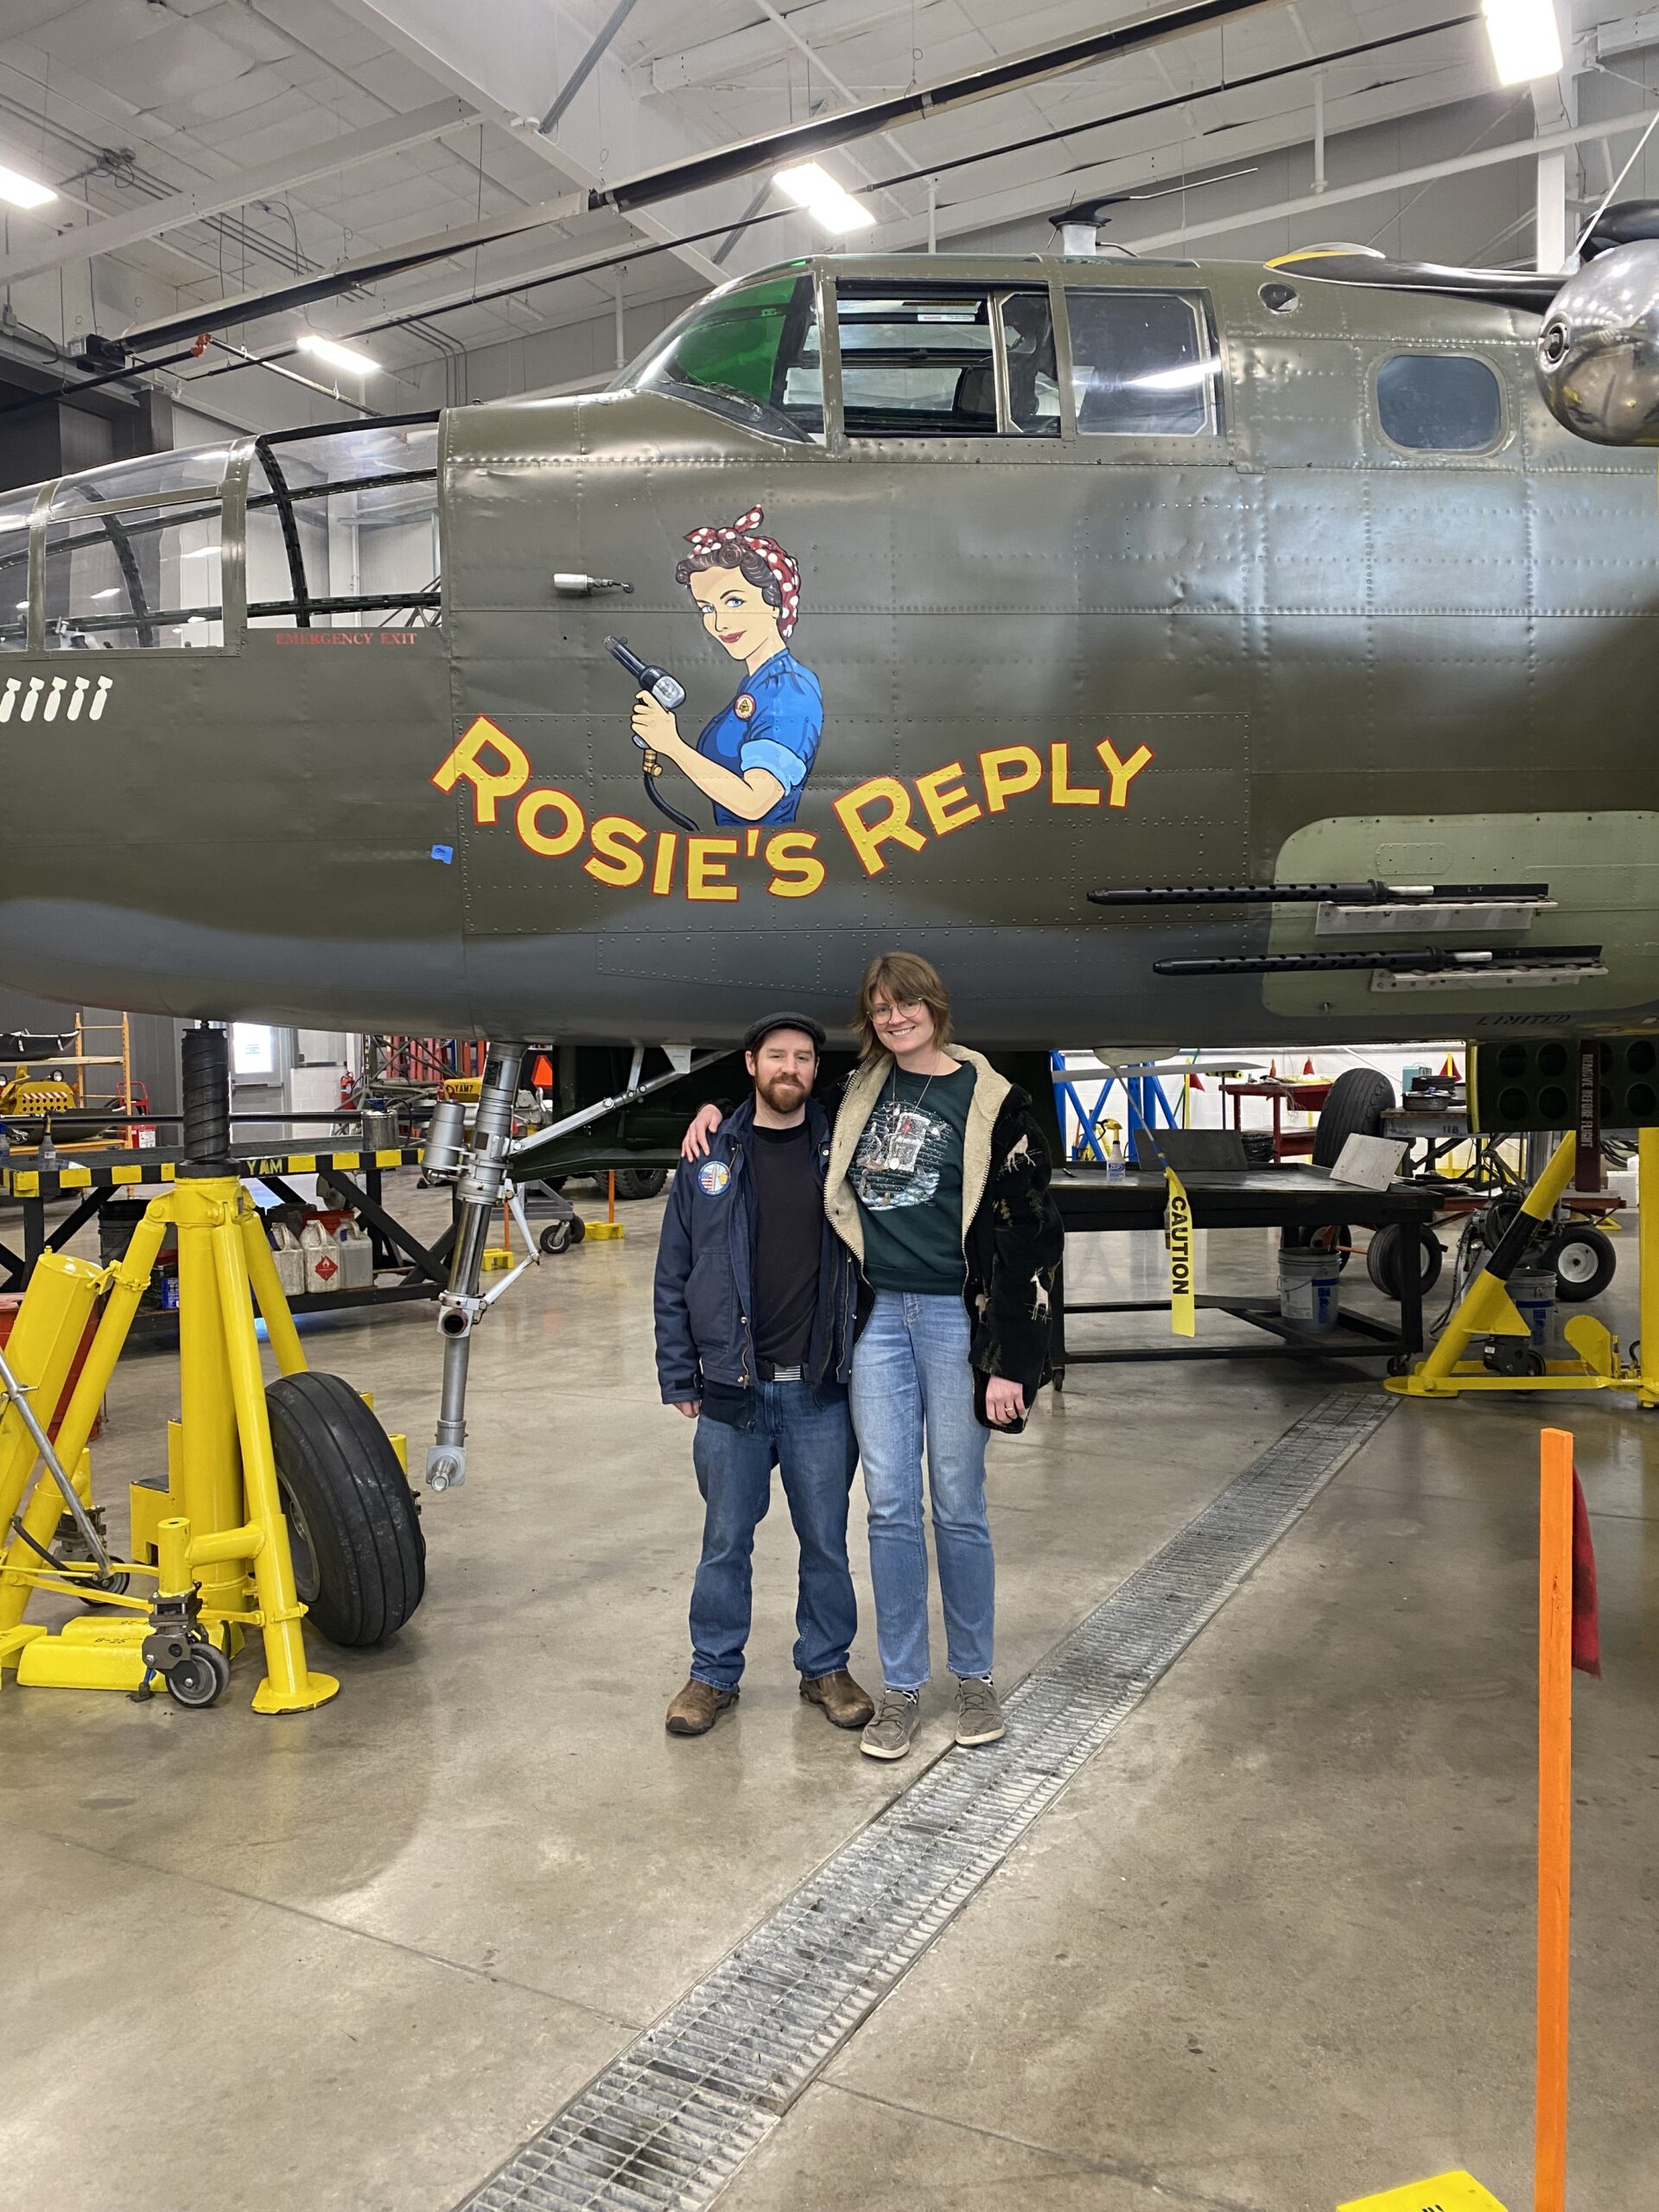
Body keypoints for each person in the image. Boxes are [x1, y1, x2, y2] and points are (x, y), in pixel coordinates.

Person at [683, 954, 1064, 1764]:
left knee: (956, 1503)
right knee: (889, 1508)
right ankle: (899, 1688)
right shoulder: (857, 1091)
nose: (896, 1019)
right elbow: (773, 1104)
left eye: (909, 1005)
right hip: (878, 1319)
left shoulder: (999, 1102)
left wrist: (1014, 1364)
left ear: (936, 1007)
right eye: (881, 1009)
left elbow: (1031, 1234)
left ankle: (973, 1678)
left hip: (960, 1322)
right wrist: (709, 1109)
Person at [654, 1012, 874, 1738]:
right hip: (732, 1391)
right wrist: (679, 1373)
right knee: (725, 1540)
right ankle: (712, 1674)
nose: (791, 1068)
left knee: (826, 1539)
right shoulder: (710, 1154)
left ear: (817, 1070)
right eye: (776, 1056)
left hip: (817, 1389)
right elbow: (674, 1272)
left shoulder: (841, 1150)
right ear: (750, 1064)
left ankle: (826, 1667)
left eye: (805, 1058)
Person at [627, 506, 823, 826]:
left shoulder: (788, 689)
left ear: (775, 603)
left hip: (763, 855)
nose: (718, 623)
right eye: (707, 607)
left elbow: (755, 802)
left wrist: (671, 744)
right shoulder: (758, 683)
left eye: (734, 601)